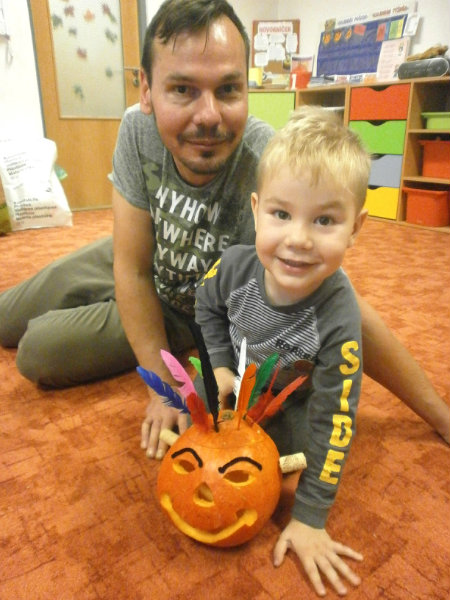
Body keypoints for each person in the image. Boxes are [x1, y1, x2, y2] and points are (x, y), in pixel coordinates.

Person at [0, 0, 448, 449]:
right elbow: (131, 267)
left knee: (38, 351)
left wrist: (439, 415)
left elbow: (340, 304)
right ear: (146, 91)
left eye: (228, 89)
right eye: (182, 89)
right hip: (139, 251)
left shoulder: (270, 163)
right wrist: (163, 385)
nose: (209, 116)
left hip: (184, 305)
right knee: (5, 318)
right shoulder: (137, 130)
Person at [195, 104, 370, 595]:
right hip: (239, 383)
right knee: (200, 429)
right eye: (281, 214)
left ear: (356, 228)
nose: (298, 239)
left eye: (324, 220)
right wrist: (220, 368)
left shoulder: (339, 314)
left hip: (294, 400)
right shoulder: (233, 266)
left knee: (298, 455)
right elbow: (205, 308)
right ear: (255, 210)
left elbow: (336, 418)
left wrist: (310, 518)